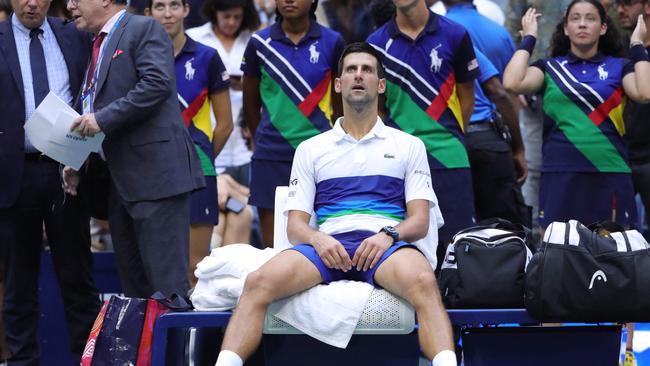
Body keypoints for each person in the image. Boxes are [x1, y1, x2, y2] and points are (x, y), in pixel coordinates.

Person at [214, 42, 456, 366]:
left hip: (384, 246)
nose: (359, 76)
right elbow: (296, 225)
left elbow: (419, 221)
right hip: (328, 245)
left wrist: (387, 235)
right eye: (351, 70)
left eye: (367, 70)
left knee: (425, 283)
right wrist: (318, 239)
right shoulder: (311, 149)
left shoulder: (408, 146)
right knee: (257, 282)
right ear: (338, 84)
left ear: (380, 85)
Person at [65, 0, 206, 298]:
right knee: (135, 292)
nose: (69, 5)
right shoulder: (96, 44)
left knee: (168, 290)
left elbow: (156, 84)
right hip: (120, 183)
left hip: (157, 179)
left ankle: (173, 347)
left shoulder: (144, 27)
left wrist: (101, 119)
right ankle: (144, 347)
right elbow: (93, 104)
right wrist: (76, 159)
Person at [0, 0, 101, 362]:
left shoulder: (74, 35)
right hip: (14, 173)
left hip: (67, 168)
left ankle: (87, 360)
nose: (32, 3)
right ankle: (22, 362)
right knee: (18, 286)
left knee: (79, 280)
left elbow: (94, 90)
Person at [503, 0, 650, 229]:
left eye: (590, 18)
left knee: (611, 256)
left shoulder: (620, 66)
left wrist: (638, 43)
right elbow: (512, 82)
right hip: (560, 173)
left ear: (603, 28)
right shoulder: (549, 68)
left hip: (610, 173)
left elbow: (645, 92)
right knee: (561, 254)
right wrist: (529, 39)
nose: (582, 24)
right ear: (565, 28)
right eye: (575, 18)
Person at [367, 0, 479, 247]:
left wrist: (445, 134)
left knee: (456, 247)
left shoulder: (455, 34)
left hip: (449, 157)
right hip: (398, 161)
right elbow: (379, 109)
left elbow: (466, 100)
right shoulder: (375, 44)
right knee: (401, 246)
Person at [145, 0, 234, 287]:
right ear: (148, 13)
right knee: (156, 267)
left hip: (199, 173)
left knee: (196, 267)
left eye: (174, 5)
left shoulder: (207, 57)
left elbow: (225, 124)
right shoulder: (139, 58)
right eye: (159, 6)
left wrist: (199, 158)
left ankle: (194, 334)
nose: (167, 13)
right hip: (152, 174)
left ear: (186, 9)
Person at [242, 0, 344, 246]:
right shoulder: (258, 43)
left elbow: (340, 103)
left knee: (324, 241)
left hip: (322, 157)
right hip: (271, 157)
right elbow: (250, 106)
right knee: (273, 247)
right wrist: (266, 141)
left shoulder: (333, 42)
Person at [441, 0, 530, 226]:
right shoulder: (498, 32)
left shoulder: (443, 32)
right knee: (505, 230)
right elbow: (502, 92)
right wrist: (518, 148)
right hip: (487, 139)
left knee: (453, 229)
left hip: (446, 143)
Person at [187, 0, 260, 186]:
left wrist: (246, 84)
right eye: (226, 16)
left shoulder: (254, 40)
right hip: (207, 135)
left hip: (245, 145)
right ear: (214, 12)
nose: (231, 22)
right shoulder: (194, 38)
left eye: (237, 17)